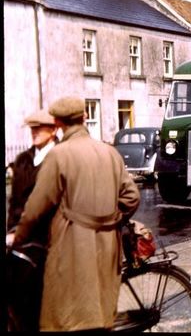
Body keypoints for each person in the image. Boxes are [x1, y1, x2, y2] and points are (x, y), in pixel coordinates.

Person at [11, 96, 140, 332]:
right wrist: (110, 219)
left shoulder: (58, 156)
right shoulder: (109, 152)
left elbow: (36, 208)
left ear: (58, 123)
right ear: (84, 118)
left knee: (65, 317)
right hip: (108, 246)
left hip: (71, 246)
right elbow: (132, 197)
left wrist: (18, 238)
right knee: (100, 314)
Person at [6, 109, 58, 332]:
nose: (34, 132)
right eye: (32, 128)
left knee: (30, 296)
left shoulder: (60, 157)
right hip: (22, 235)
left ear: (54, 130)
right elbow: (15, 203)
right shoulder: (23, 160)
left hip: (47, 236)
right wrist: (12, 232)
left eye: (40, 128)